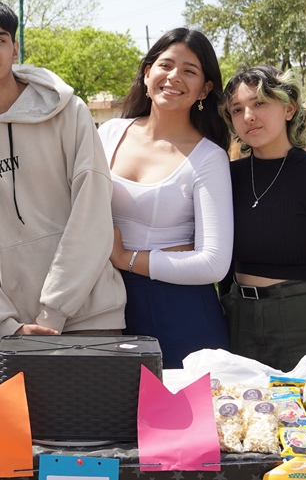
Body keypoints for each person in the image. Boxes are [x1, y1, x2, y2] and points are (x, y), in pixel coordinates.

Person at [0, 0, 126, 348]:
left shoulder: (69, 113)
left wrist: (54, 310)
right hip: (15, 332)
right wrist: (5, 325)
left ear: (14, 48)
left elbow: (92, 214)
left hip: (93, 319)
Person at [98, 28, 233, 369]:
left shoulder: (209, 158)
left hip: (179, 313)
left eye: (190, 70)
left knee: (178, 421)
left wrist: (124, 257)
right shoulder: (110, 133)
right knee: (103, 417)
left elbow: (213, 263)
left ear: (205, 89)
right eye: (165, 65)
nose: (174, 77)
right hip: (102, 305)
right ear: (147, 74)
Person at [218, 65, 306, 381]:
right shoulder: (228, 177)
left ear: (289, 108)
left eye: (260, 103)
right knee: (246, 423)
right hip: (239, 321)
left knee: (305, 424)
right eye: (237, 110)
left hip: (305, 323)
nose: (249, 116)